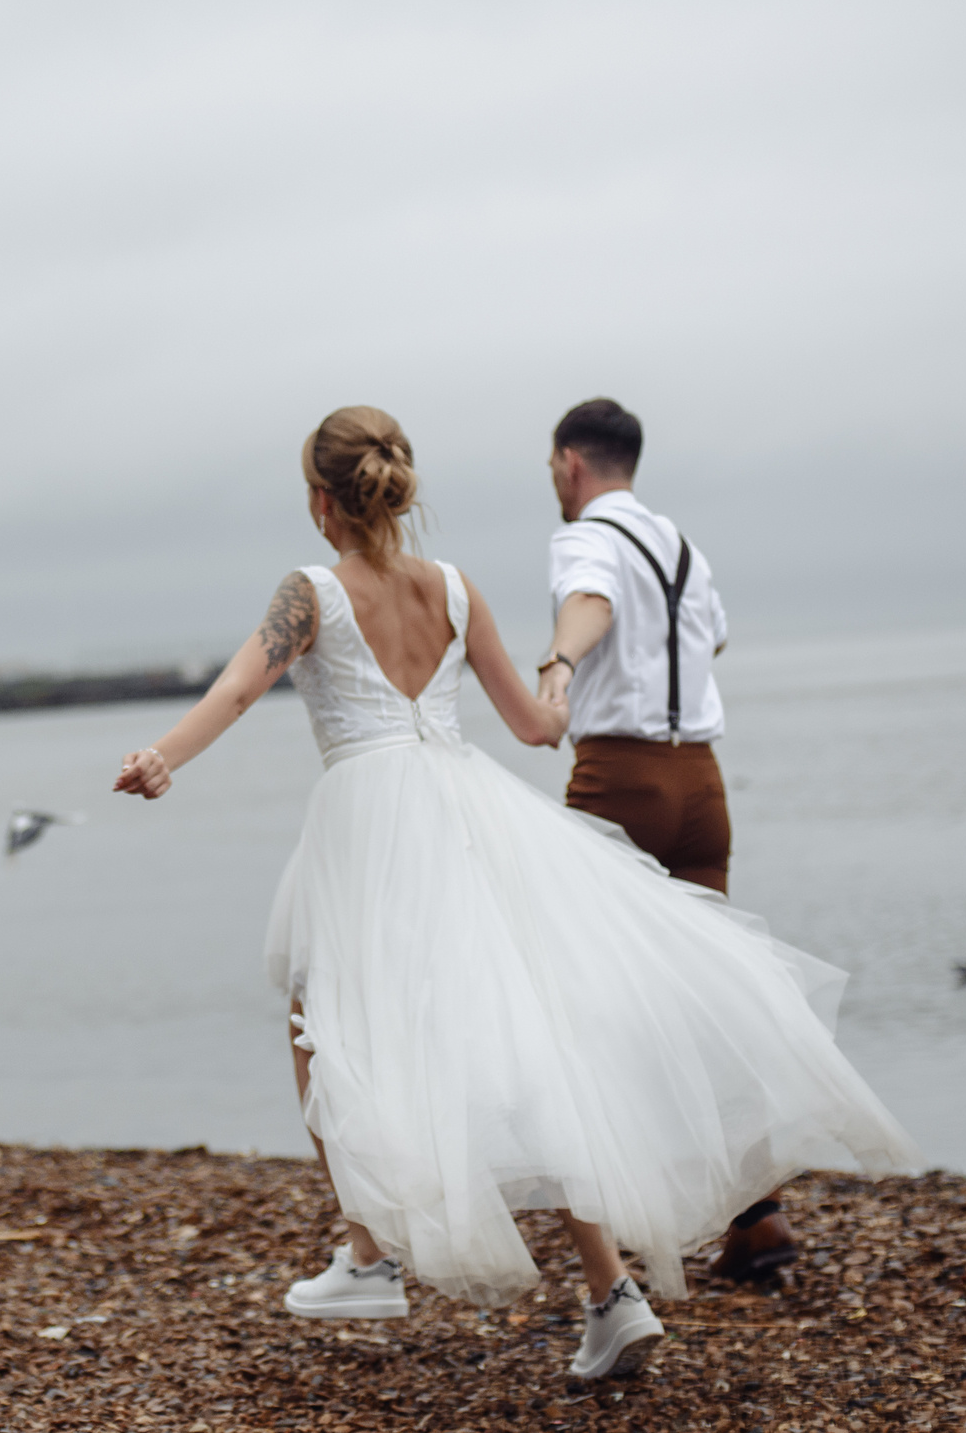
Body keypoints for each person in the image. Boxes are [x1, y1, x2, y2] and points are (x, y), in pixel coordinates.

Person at [114, 405, 920, 1381]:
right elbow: (537, 728)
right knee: (529, 1037)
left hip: (371, 819)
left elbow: (240, 688)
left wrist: (163, 756)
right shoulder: (455, 589)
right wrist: (562, 679)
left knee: (317, 1016)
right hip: (465, 808)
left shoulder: (311, 588)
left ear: (324, 500)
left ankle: (368, 1251)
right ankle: (607, 1289)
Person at [533, 397, 794, 1284]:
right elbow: (712, 636)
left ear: (571, 463)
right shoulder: (683, 545)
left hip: (621, 778)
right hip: (702, 784)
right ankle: (757, 1214)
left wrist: (561, 663)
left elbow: (591, 601)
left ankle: (631, 1233)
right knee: (709, 994)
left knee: (595, 1005)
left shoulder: (585, 537)